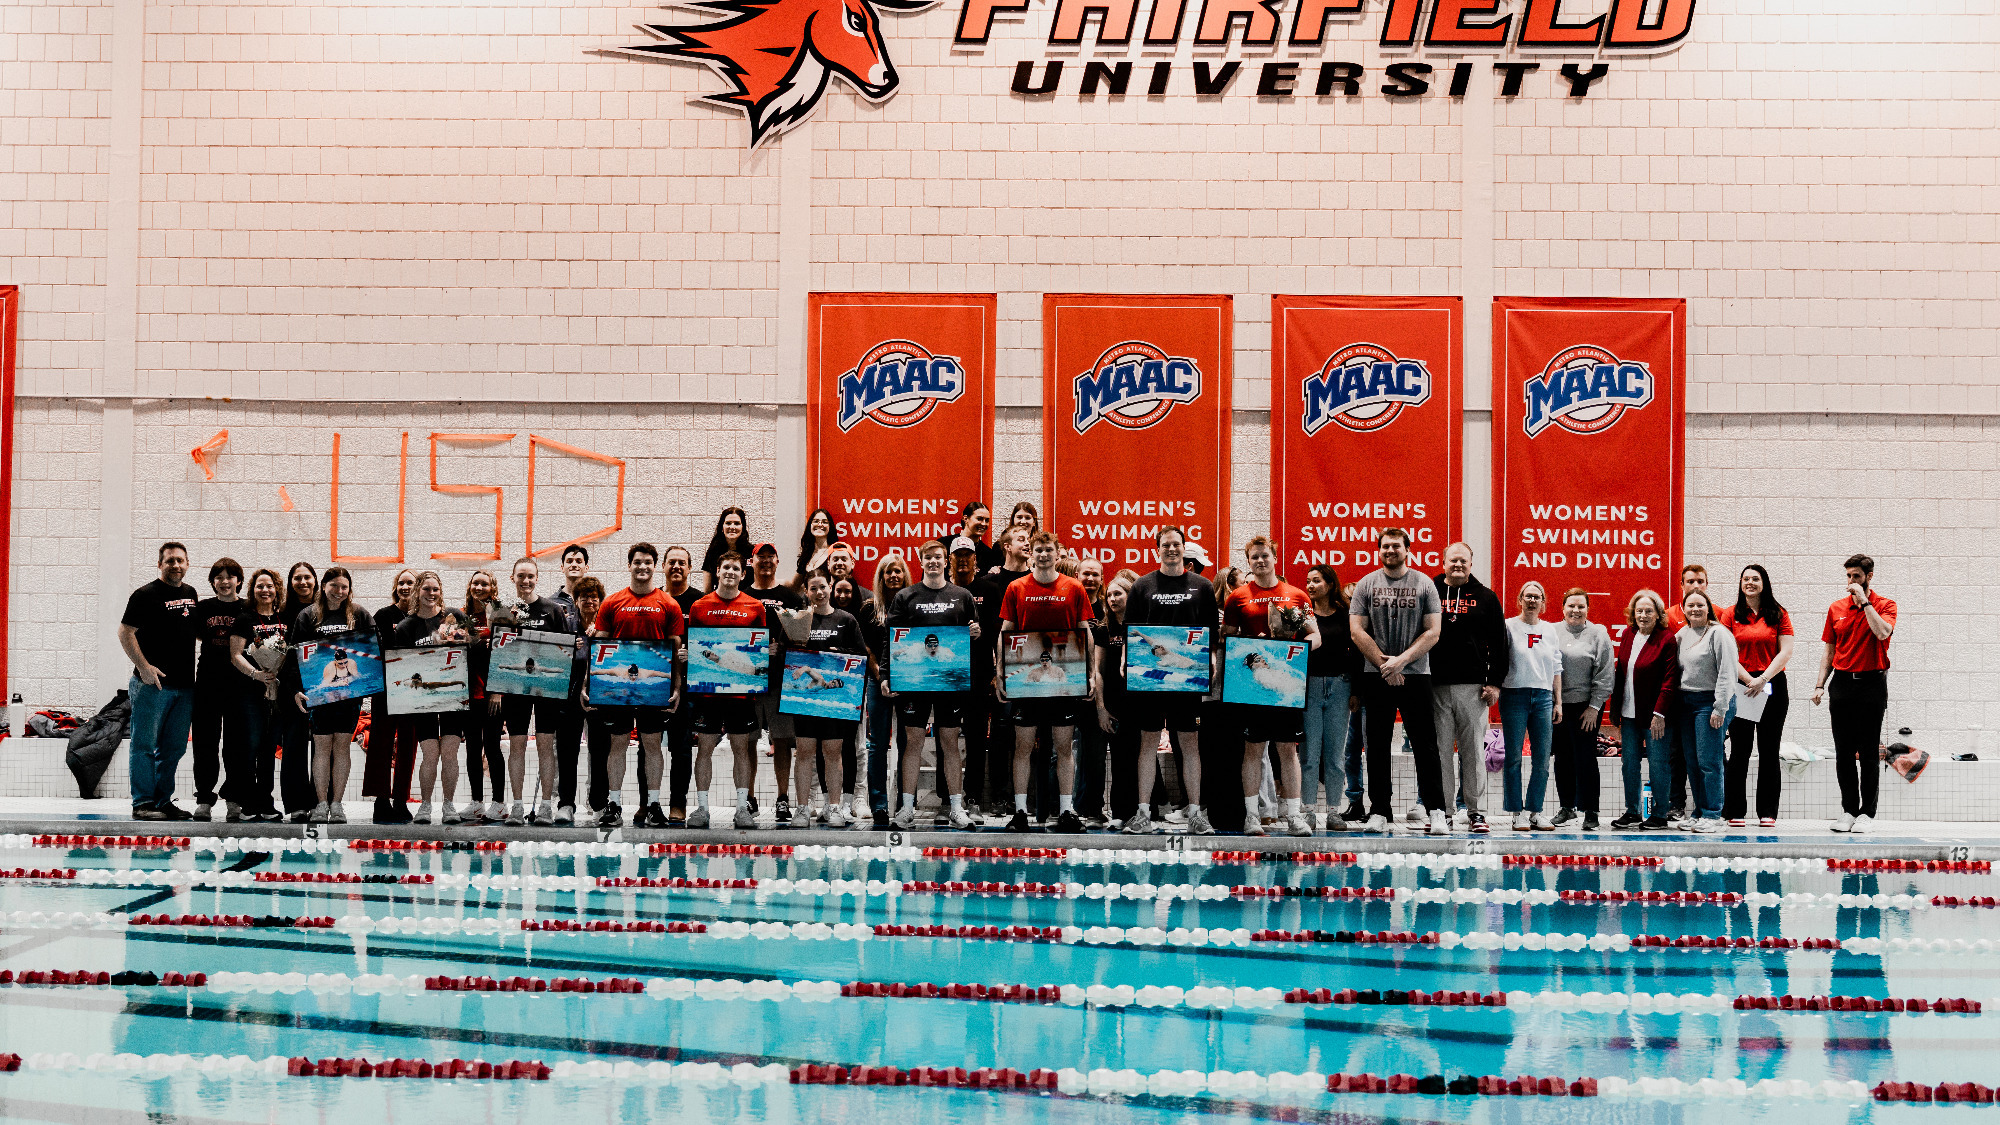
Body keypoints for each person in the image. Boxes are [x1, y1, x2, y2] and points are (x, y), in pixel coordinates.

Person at [996, 531, 1097, 833]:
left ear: (1057, 554)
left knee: (1064, 746)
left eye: (1048, 550)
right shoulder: (1016, 587)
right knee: (1023, 747)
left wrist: (1090, 673)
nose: (1043, 555)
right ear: (1030, 554)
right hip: (1028, 680)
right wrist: (1000, 672)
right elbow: (1005, 632)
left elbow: (1085, 633)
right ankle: (1021, 812)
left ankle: (1066, 811)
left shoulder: (1074, 587)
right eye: (1037, 550)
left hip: (1063, 680)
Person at [1347, 528, 1446, 835]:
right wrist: (1385, 665)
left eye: (1396, 546)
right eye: (1385, 546)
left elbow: (1433, 631)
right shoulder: (1366, 584)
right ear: (1379, 550)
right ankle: (1379, 810)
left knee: (1425, 745)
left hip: (1416, 675)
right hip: (1376, 675)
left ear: (1407, 549)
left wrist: (1400, 661)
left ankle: (1437, 810)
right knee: (1375, 745)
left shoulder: (1424, 583)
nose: (1390, 550)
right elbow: (1357, 631)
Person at [1120, 526, 1216, 835]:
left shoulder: (1202, 586)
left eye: (1176, 544)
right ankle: (1143, 813)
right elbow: (1130, 631)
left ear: (1184, 548)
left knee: (1189, 743)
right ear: (1157, 549)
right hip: (1151, 676)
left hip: (1186, 678)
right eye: (1166, 545)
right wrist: (1125, 658)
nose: (1171, 549)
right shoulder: (1142, 586)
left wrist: (1210, 660)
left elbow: (1210, 631)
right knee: (1148, 743)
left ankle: (1196, 814)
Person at [1219, 536, 1318, 837]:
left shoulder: (1297, 596)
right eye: (1254, 558)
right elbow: (1227, 638)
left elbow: (1315, 636)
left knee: (1288, 750)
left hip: (1284, 682)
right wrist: (1247, 648)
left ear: (1275, 557)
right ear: (1248, 562)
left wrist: (1291, 651)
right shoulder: (1237, 597)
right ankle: (1252, 816)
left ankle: (1294, 816)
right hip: (1251, 687)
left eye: (1265, 556)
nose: (1260, 561)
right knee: (1252, 749)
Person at [884, 540, 980, 829]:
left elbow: (973, 635)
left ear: (946, 561)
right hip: (914, 681)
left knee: (950, 742)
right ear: (921, 560)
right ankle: (907, 808)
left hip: (950, 681)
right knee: (912, 743)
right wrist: (887, 675)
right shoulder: (905, 597)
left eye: (939, 557)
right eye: (929, 558)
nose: (934, 562)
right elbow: (891, 640)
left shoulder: (962, 596)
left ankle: (955, 807)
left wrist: (976, 632)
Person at [589, 542, 686, 828]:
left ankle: (654, 803)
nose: (642, 567)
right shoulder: (612, 602)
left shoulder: (668, 604)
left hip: (652, 689)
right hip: (620, 689)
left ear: (654, 567)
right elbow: (600, 649)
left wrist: (676, 687)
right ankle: (614, 804)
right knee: (617, 744)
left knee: (652, 744)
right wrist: (590, 684)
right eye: (637, 562)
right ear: (629, 565)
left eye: (648, 562)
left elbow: (675, 649)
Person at [683, 551, 770, 830]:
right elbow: (697, 647)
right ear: (717, 572)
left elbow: (759, 651)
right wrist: (690, 655)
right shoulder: (699, 606)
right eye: (726, 567)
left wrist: (766, 658)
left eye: (735, 568)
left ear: (743, 575)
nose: (730, 572)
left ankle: (742, 808)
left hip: (741, 694)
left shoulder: (755, 607)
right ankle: (702, 809)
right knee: (705, 748)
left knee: (741, 748)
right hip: (708, 693)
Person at [1812, 554, 1895, 833]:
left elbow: (1883, 633)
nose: (1850, 582)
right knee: (1844, 752)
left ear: (1869, 577)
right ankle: (1848, 810)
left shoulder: (1885, 605)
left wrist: (1865, 602)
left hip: (1871, 683)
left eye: (1856, 576)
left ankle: (1866, 814)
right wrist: (1820, 685)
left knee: (1869, 752)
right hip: (1843, 684)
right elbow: (1829, 650)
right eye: (1848, 576)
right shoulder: (1836, 608)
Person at [118, 543, 200, 821]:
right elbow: (125, 632)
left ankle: (163, 801)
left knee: (174, 748)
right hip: (152, 686)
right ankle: (142, 803)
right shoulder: (144, 595)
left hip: (185, 686)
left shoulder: (191, 594)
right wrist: (143, 667)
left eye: (180, 560)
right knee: (144, 745)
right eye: (169, 561)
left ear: (187, 564)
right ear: (160, 564)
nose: (175, 565)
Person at [1429, 543, 1507, 834]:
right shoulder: (1430, 591)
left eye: (1463, 560)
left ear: (1471, 563)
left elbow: (1499, 644)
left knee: (1473, 751)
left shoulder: (1486, 597)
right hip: (1435, 685)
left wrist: (1495, 682)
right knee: (1440, 753)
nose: (1458, 565)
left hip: (1473, 687)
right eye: (1453, 560)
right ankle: (1443, 812)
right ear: (1444, 561)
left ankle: (1476, 812)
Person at [287, 566, 374, 824]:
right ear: (323, 587)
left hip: (349, 695)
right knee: (322, 748)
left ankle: (337, 804)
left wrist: (367, 685)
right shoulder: (308, 615)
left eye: (344, 587)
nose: (339, 591)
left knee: (342, 748)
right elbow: (295, 655)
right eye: (334, 585)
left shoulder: (359, 614)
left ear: (349, 589)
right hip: (321, 693)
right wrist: (295, 690)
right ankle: (321, 803)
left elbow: (372, 649)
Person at [788, 569, 873, 827]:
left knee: (832, 752)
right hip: (805, 698)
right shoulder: (799, 620)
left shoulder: (846, 620)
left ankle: (834, 807)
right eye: (813, 588)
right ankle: (803, 808)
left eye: (823, 587)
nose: (819, 592)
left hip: (835, 698)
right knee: (804, 752)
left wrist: (841, 653)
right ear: (806, 591)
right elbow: (786, 656)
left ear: (830, 586)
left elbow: (861, 658)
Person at [498, 556, 578, 826]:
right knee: (517, 746)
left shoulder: (552, 611)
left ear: (537, 578)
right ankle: (517, 806)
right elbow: (498, 653)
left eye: (530, 576)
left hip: (546, 688)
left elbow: (564, 651)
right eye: (521, 576)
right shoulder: (505, 611)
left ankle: (545, 806)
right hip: (515, 688)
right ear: (513, 578)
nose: (526, 581)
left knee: (546, 746)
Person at [391, 572, 472, 825]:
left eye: (435, 589)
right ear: (417, 591)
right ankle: (425, 805)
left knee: (449, 753)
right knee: (429, 754)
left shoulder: (453, 617)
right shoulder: (406, 627)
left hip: (451, 696)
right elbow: (401, 664)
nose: (431, 593)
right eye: (426, 589)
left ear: (441, 590)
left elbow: (471, 650)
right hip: (422, 699)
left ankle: (448, 805)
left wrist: (464, 640)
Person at [1721, 564, 1794, 827]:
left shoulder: (1778, 613)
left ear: (1764, 583)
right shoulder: (1730, 614)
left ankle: (1767, 811)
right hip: (1741, 685)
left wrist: (1763, 679)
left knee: (1768, 750)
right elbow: (1726, 652)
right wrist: (1749, 680)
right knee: (1740, 750)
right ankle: (1735, 811)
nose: (1750, 582)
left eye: (1755, 578)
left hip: (1772, 685)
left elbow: (1785, 651)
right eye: (1745, 579)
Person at [1607, 589, 1678, 830]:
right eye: (1639, 611)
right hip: (1628, 714)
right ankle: (1632, 811)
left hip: (1654, 716)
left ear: (1659, 614)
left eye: (1649, 611)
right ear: (1632, 613)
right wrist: (1614, 712)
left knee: (1658, 763)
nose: (1643, 615)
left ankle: (1659, 813)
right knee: (1629, 763)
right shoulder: (1628, 634)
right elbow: (1621, 675)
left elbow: (1670, 680)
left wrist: (1659, 714)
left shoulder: (1667, 639)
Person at [747, 542, 804, 820]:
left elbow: (800, 637)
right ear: (752, 561)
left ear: (778, 561)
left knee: (781, 740)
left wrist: (783, 650)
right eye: (761, 557)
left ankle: (782, 798)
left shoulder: (790, 597)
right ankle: (747, 797)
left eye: (771, 556)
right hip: (748, 680)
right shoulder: (742, 595)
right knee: (748, 740)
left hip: (781, 680)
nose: (766, 561)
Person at [226, 568, 288, 822]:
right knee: (249, 748)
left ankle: (266, 802)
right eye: (260, 586)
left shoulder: (285, 618)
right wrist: (257, 674)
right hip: (251, 694)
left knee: (268, 749)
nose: (265, 590)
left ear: (277, 590)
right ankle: (247, 802)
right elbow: (235, 654)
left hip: (277, 694)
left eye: (269, 586)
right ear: (252, 590)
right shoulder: (244, 618)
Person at [1675, 588, 1738, 833]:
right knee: (1692, 761)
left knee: (1709, 761)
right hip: (1686, 703)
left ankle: (1713, 814)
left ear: (1708, 607)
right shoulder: (1682, 635)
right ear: (1684, 609)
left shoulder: (1719, 633)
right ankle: (1699, 811)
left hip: (1711, 703)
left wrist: (1720, 707)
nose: (1695, 609)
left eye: (1700, 604)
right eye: (1690, 605)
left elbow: (1727, 673)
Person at [1550, 589, 1614, 830]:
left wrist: (1594, 707)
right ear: (1563, 608)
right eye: (1571, 606)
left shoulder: (1598, 634)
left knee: (1585, 758)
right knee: (1562, 757)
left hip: (1586, 707)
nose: (1575, 611)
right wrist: (1553, 703)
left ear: (1588, 609)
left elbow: (1605, 674)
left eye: (1581, 606)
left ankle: (1591, 811)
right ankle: (1567, 808)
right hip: (1558, 706)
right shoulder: (1553, 632)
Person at [191, 557, 249, 821]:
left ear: (239, 580)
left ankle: (234, 798)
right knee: (205, 743)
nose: (225, 582)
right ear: (213, 582)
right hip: (207, 683)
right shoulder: (203, 608)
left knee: (236, 744)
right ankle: (204, 797)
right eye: (219, 577)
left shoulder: (247, 608)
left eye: (230, 577)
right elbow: (198, 635)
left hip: (238, 684)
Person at [1500, 581, 1561, 831]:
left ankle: (1535, 811)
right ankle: (1516, 812)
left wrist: (1559, 701)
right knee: (1513, 757)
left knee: (1542, 760)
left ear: (1544, 603)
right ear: (1520, 600)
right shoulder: (1508, 626)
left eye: (1537, 596)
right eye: (1528, 596)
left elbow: (1557, 668)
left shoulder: (1550, 630)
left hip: (1544, 697)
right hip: (1514, 695)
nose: (1532, 600)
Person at [1301, 563, 1358, 831]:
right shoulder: (1303, 615)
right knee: (1309, 755)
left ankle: (1334, 811)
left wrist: (1356, 690)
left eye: (1316, 581)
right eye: (1308, 581)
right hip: (1309, 686)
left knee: (1335, 756)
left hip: (1340, 686)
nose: (1310, 585)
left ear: (1330, 584)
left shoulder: (1346, 614)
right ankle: (1308, 810)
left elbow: (1355, 652)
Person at [362, 568, 418, 825]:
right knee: (380, 744)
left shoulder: (422, 617)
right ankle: (380, 801)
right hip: (386, 686)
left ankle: (400, 800)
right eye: (402, 583)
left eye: (411, 583)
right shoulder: (383, 616)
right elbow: (371, 651)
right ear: (396, 587)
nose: (406, 587)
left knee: (408, 745)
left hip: (413, 690)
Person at [861, 554, 913, 823]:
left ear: (905, 575)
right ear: (880, 577)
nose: (893, 576)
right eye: (887, 572)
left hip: (907, 682)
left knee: (907, 745)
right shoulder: (869, 608)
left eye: (898, 571)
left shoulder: (913, 607)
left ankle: (905, 805)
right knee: (877, 744)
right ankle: (879, 805)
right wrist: (880, 677)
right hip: (876, 681)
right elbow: (867, 649)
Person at [1089, 575, 1138, 827]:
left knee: (1138, 758)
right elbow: (1098, 671)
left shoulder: (1140, 627)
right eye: (1109, 595)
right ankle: (1120, 813)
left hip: (1138, 703)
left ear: (1130, 595)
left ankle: (1141, 812)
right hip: (1114, 704)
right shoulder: (1103, 629)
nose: (1112, 599)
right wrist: (1101, 708)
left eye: (1118, 594)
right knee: (1119, 760)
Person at [459, 570, 508, 824]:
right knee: (471, 748)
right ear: (470, 586)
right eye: (475, 582)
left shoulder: (500, 614)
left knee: (491, 746)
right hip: (468, 693)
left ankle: (499, 803)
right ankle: (477, 802)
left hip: (492, 695)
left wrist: (498, 690)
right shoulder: (460, 615)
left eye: (484, 583)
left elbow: (507, 654)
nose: (479, 587)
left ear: (492, 587)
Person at [275, 562, 321, 820]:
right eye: (297, 578)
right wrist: (292, 687)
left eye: (307, 578)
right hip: (291, 688)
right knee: (293, 746)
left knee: (321, 746)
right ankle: (295, 805)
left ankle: (318, 801)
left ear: (315, 581)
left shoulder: (325, 611)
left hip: (321, 686)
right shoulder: (282, 613)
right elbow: (284, 657)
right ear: (290, 583)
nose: (303, 583)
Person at [564, 577, 607, 824]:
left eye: (594, 597)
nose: (589, 601)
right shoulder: (567, 624)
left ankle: (599, 804)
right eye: (584, 597)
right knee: (568, 749)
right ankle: (566, 803)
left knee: (599, 750)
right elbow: (556, 655)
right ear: (576, 601)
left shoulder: (605, 624)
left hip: (598, 691)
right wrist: (570, 646)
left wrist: (599, 637)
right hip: (571, 691)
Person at [699, 507, 755, 593]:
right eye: (728, 523)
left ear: (742, 527)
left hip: (746, 602)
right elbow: (707, 590)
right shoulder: (713, 552)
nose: (732, 527)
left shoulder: (752, 552)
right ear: (722, 526)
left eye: (736, 523)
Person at [941, 502, 1002, 573]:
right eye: (979, 519)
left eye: (987, 520)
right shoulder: (944, 544)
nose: (983, 524)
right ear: (966, 519)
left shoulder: (988, 554)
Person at [796, 507, 838, 580]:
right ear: (810, 525)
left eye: (824, 522)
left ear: (830, 526)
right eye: (816, 521)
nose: (820, 524)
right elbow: (794, 585)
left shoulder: (835, 553)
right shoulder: (806, 555)